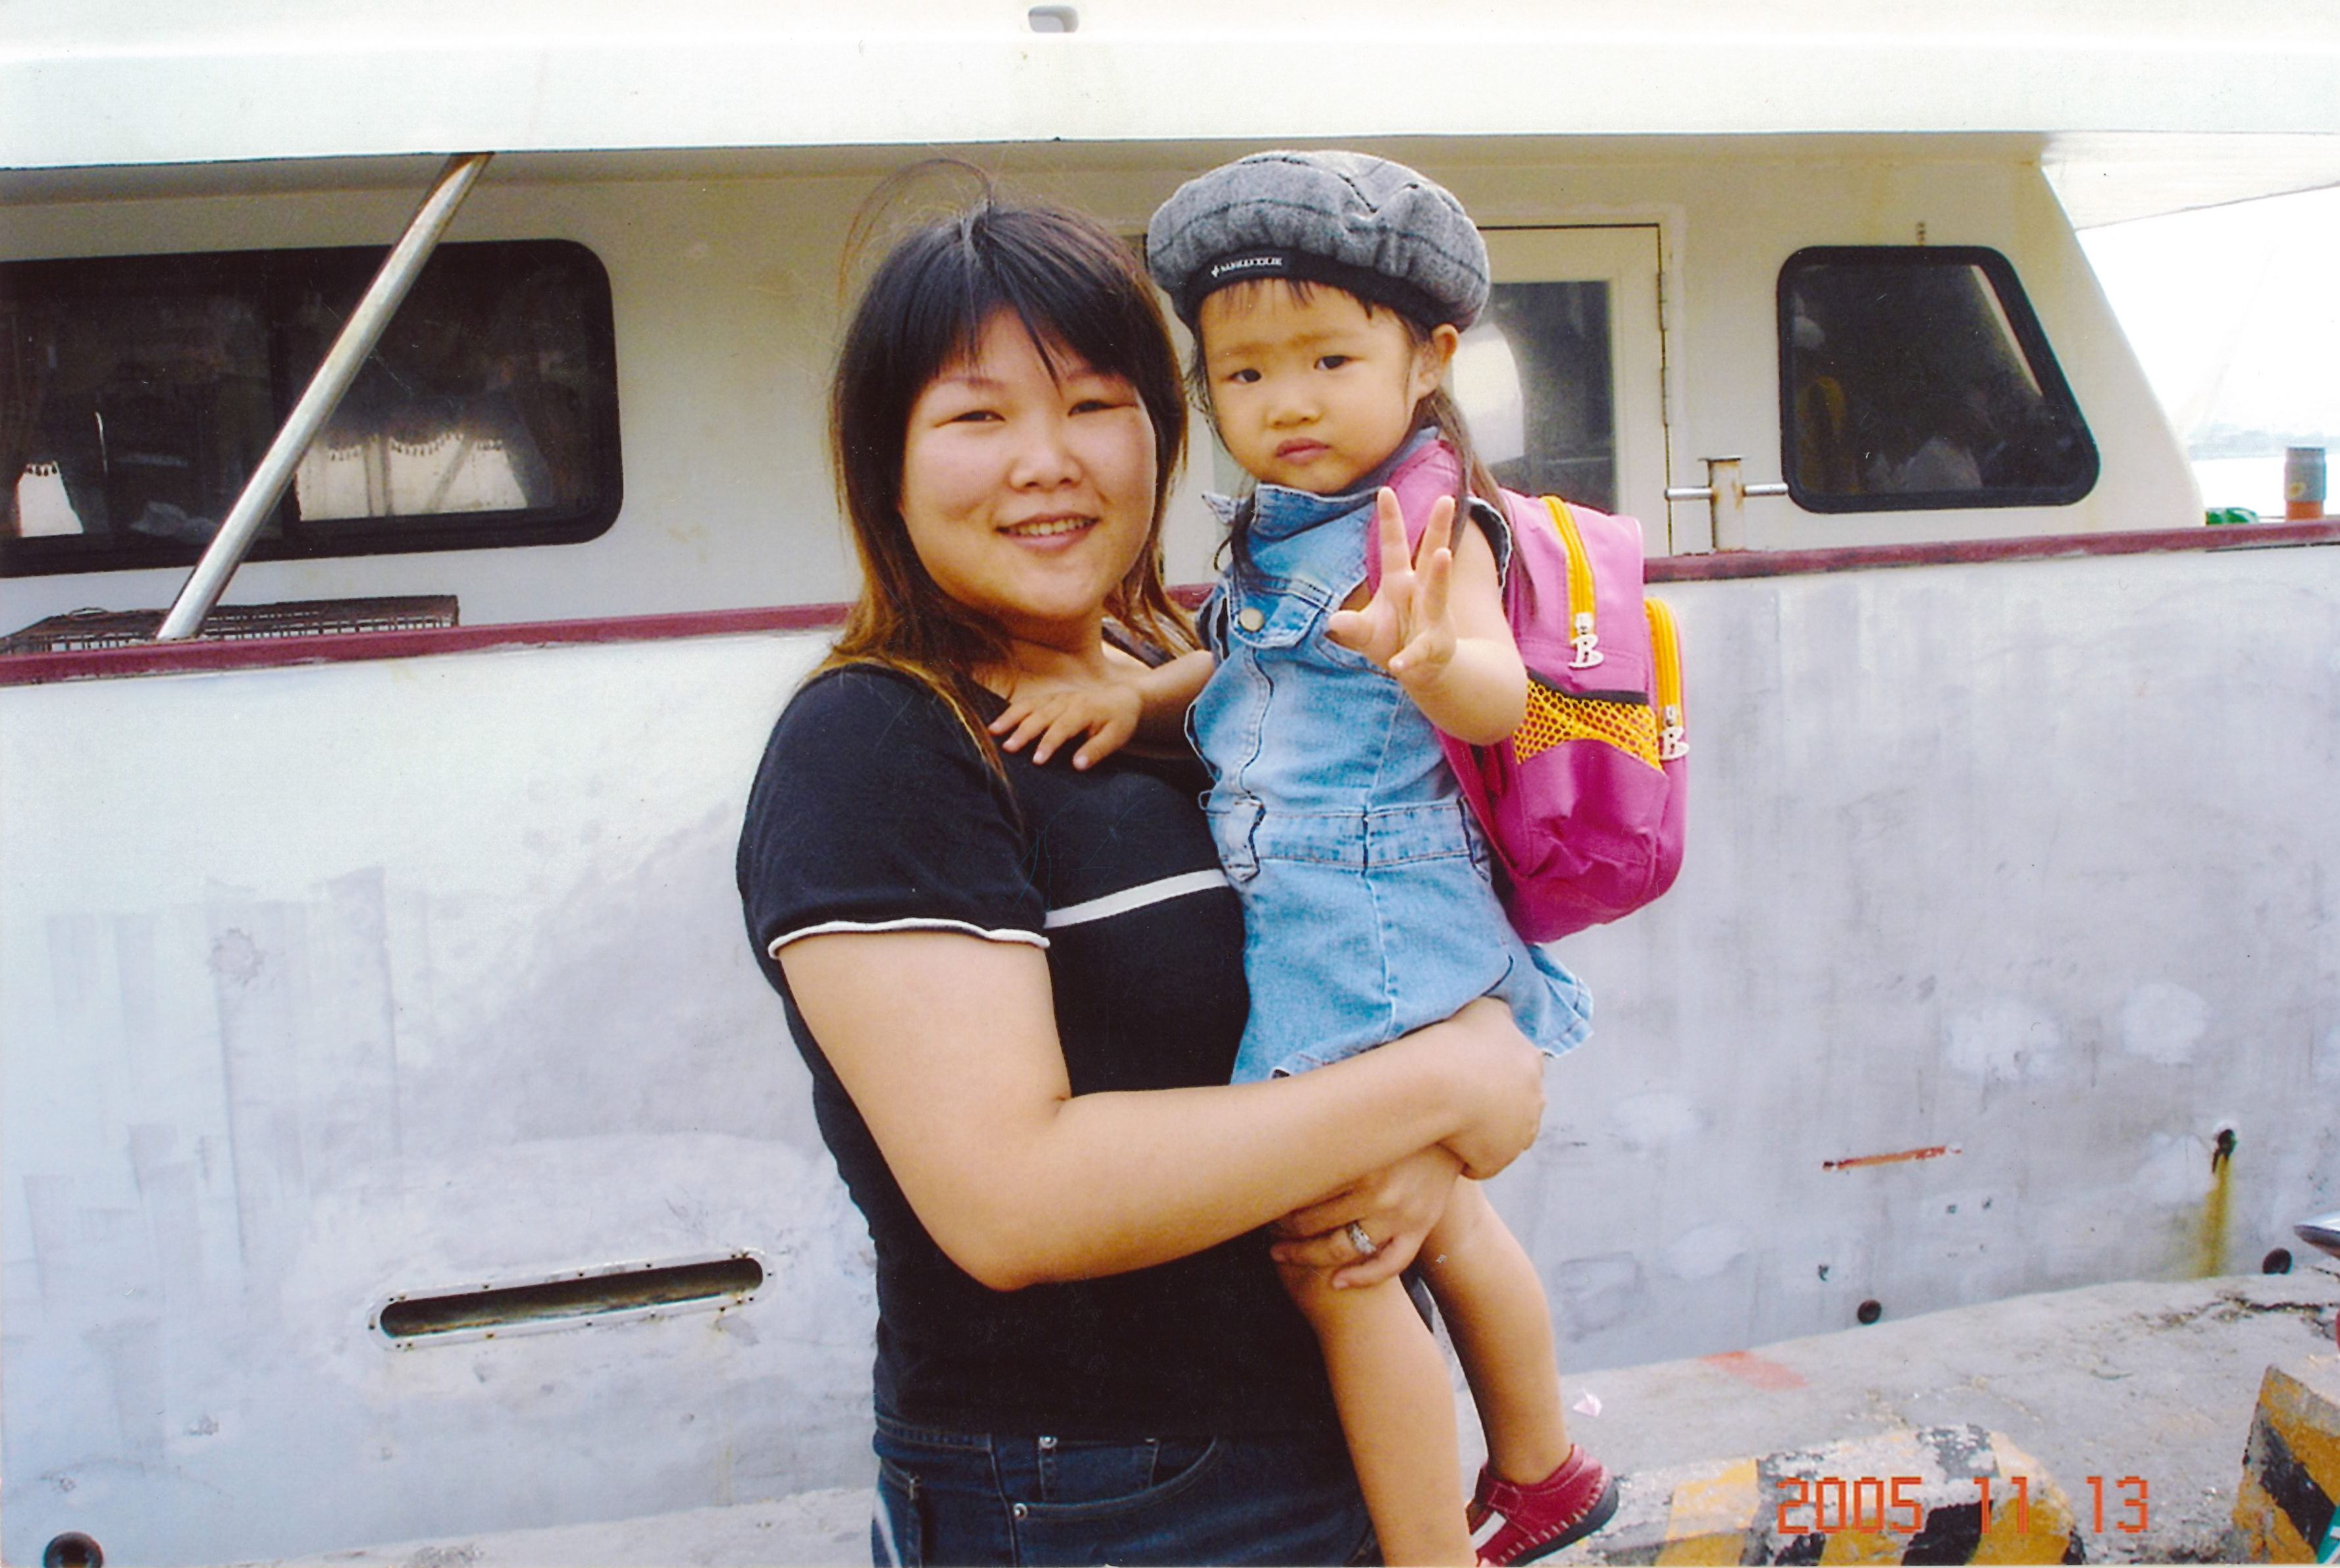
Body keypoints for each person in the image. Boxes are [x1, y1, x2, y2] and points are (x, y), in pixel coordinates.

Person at [737, 183, 1553, 1567]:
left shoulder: (1187, 680)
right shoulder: (877, 742)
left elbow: (1368, 945)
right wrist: (1446, 1083)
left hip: (1338, 1448)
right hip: (1103, 1497)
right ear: (887, 459)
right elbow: (1011, 1199)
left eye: (1094, 404)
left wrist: (1422, 1144)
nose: (1046, 462)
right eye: (977, 418)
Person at [989, 150, 1619, 1565]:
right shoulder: (1285, 525)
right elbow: (1242, 669)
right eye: (1245, 375)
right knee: (1437, 1222)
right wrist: (1131, 700)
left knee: (1340, 1263)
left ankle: (1432, 1546)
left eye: (1329, 361)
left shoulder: (1428, 520)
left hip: (1367, 915)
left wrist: (1430, 663)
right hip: (1338, 908)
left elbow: (1501, 698)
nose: (1286, 403)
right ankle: (1544, 1465)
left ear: (1429, 360)